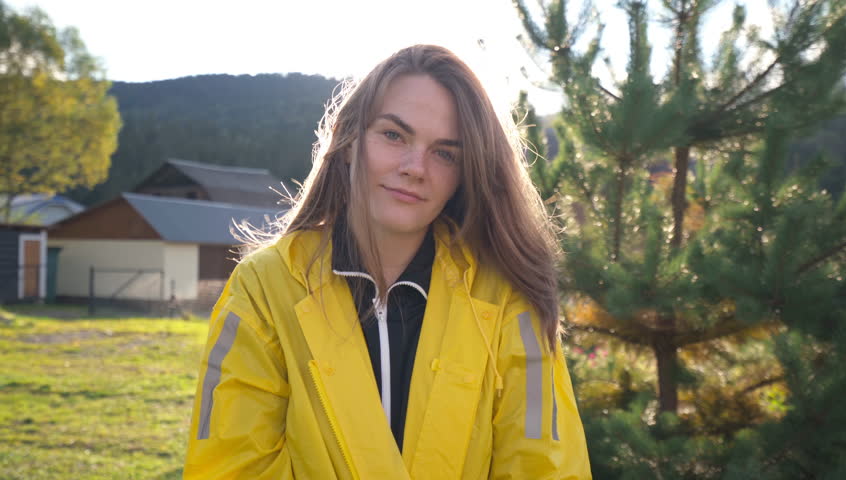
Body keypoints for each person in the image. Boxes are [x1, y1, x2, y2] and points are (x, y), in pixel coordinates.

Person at [184, 44, 591, 479]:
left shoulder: (506, 297)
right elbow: (229, 468)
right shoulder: (264, 287)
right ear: (346, 140)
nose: (415, 168)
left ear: (464, 173)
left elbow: (544, 469)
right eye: (394, 135)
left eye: (445, 153)